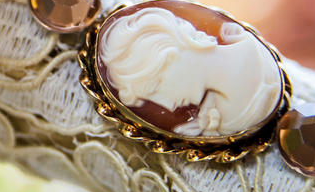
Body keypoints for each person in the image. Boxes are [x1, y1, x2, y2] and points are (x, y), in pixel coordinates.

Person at [99, 7, 281, 137]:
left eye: (156, 88)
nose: (169, 107)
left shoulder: (264, 72)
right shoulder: (214, 123)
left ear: (170, 55)